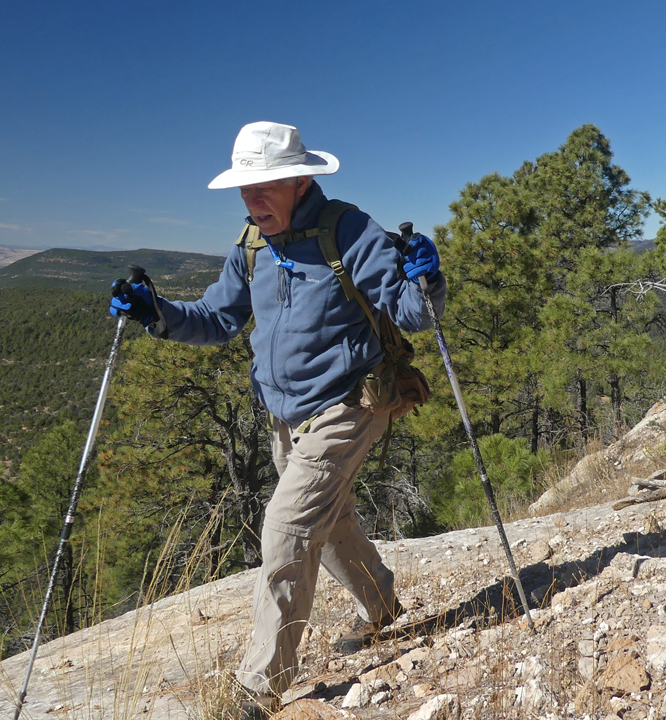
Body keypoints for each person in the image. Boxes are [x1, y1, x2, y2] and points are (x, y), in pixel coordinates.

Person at [108, 121, 446, 717]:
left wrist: (428, 277)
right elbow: (217, 318)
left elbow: (414, 313)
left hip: (349, 402)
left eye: (264, 187)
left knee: (287, 527)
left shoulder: (349, 230)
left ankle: (259, 688)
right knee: (331, 517)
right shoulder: (253, 245)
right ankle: (382, 606)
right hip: (285, 417)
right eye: (245, 189)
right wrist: (154, 312)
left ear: (300, 180)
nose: (251, 199)